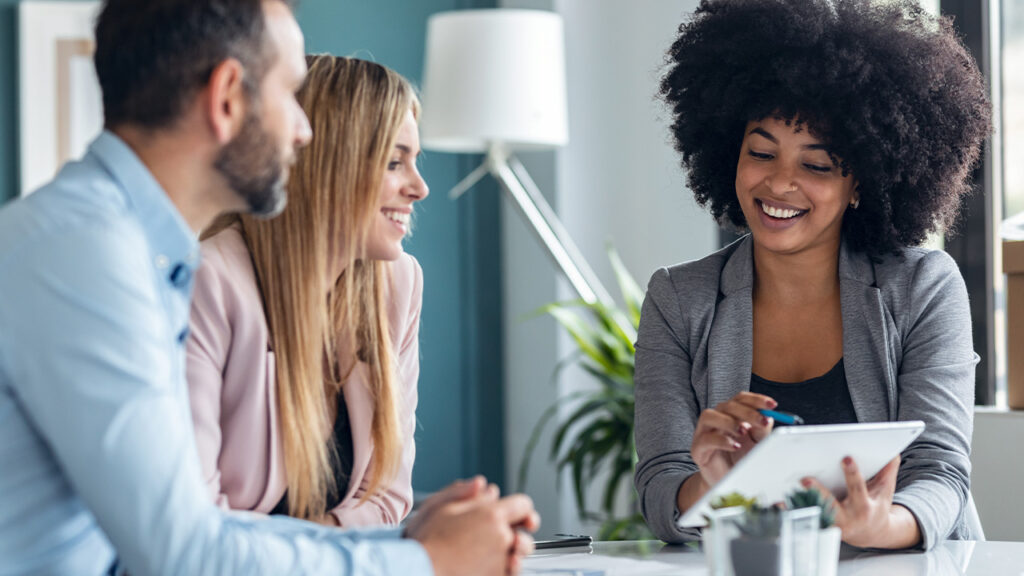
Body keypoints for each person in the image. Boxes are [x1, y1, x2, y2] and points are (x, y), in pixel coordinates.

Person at [0, 1, 538, 575]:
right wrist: (425, 562)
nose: (305, 131)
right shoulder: (86, 256)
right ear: (227, 96)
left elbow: (192, 532)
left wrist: (407, 544)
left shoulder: (133, 251)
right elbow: (183, 555)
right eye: (290, 94)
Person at [633, 0, 990, 551]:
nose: (779, 183)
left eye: (816, 165)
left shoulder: (923, 287)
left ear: (862, 183)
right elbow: (660, 485)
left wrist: (880, 526)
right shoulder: (679, 299)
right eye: (761, 152)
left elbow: (940, 472)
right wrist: (710, 484)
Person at [187, 55, 427, 528]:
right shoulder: (207, 283)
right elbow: (194, 526)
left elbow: (388, 497)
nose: (419, 188)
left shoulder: (398, 284)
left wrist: (324, 541)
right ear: (326, 162)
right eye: (395, 162)